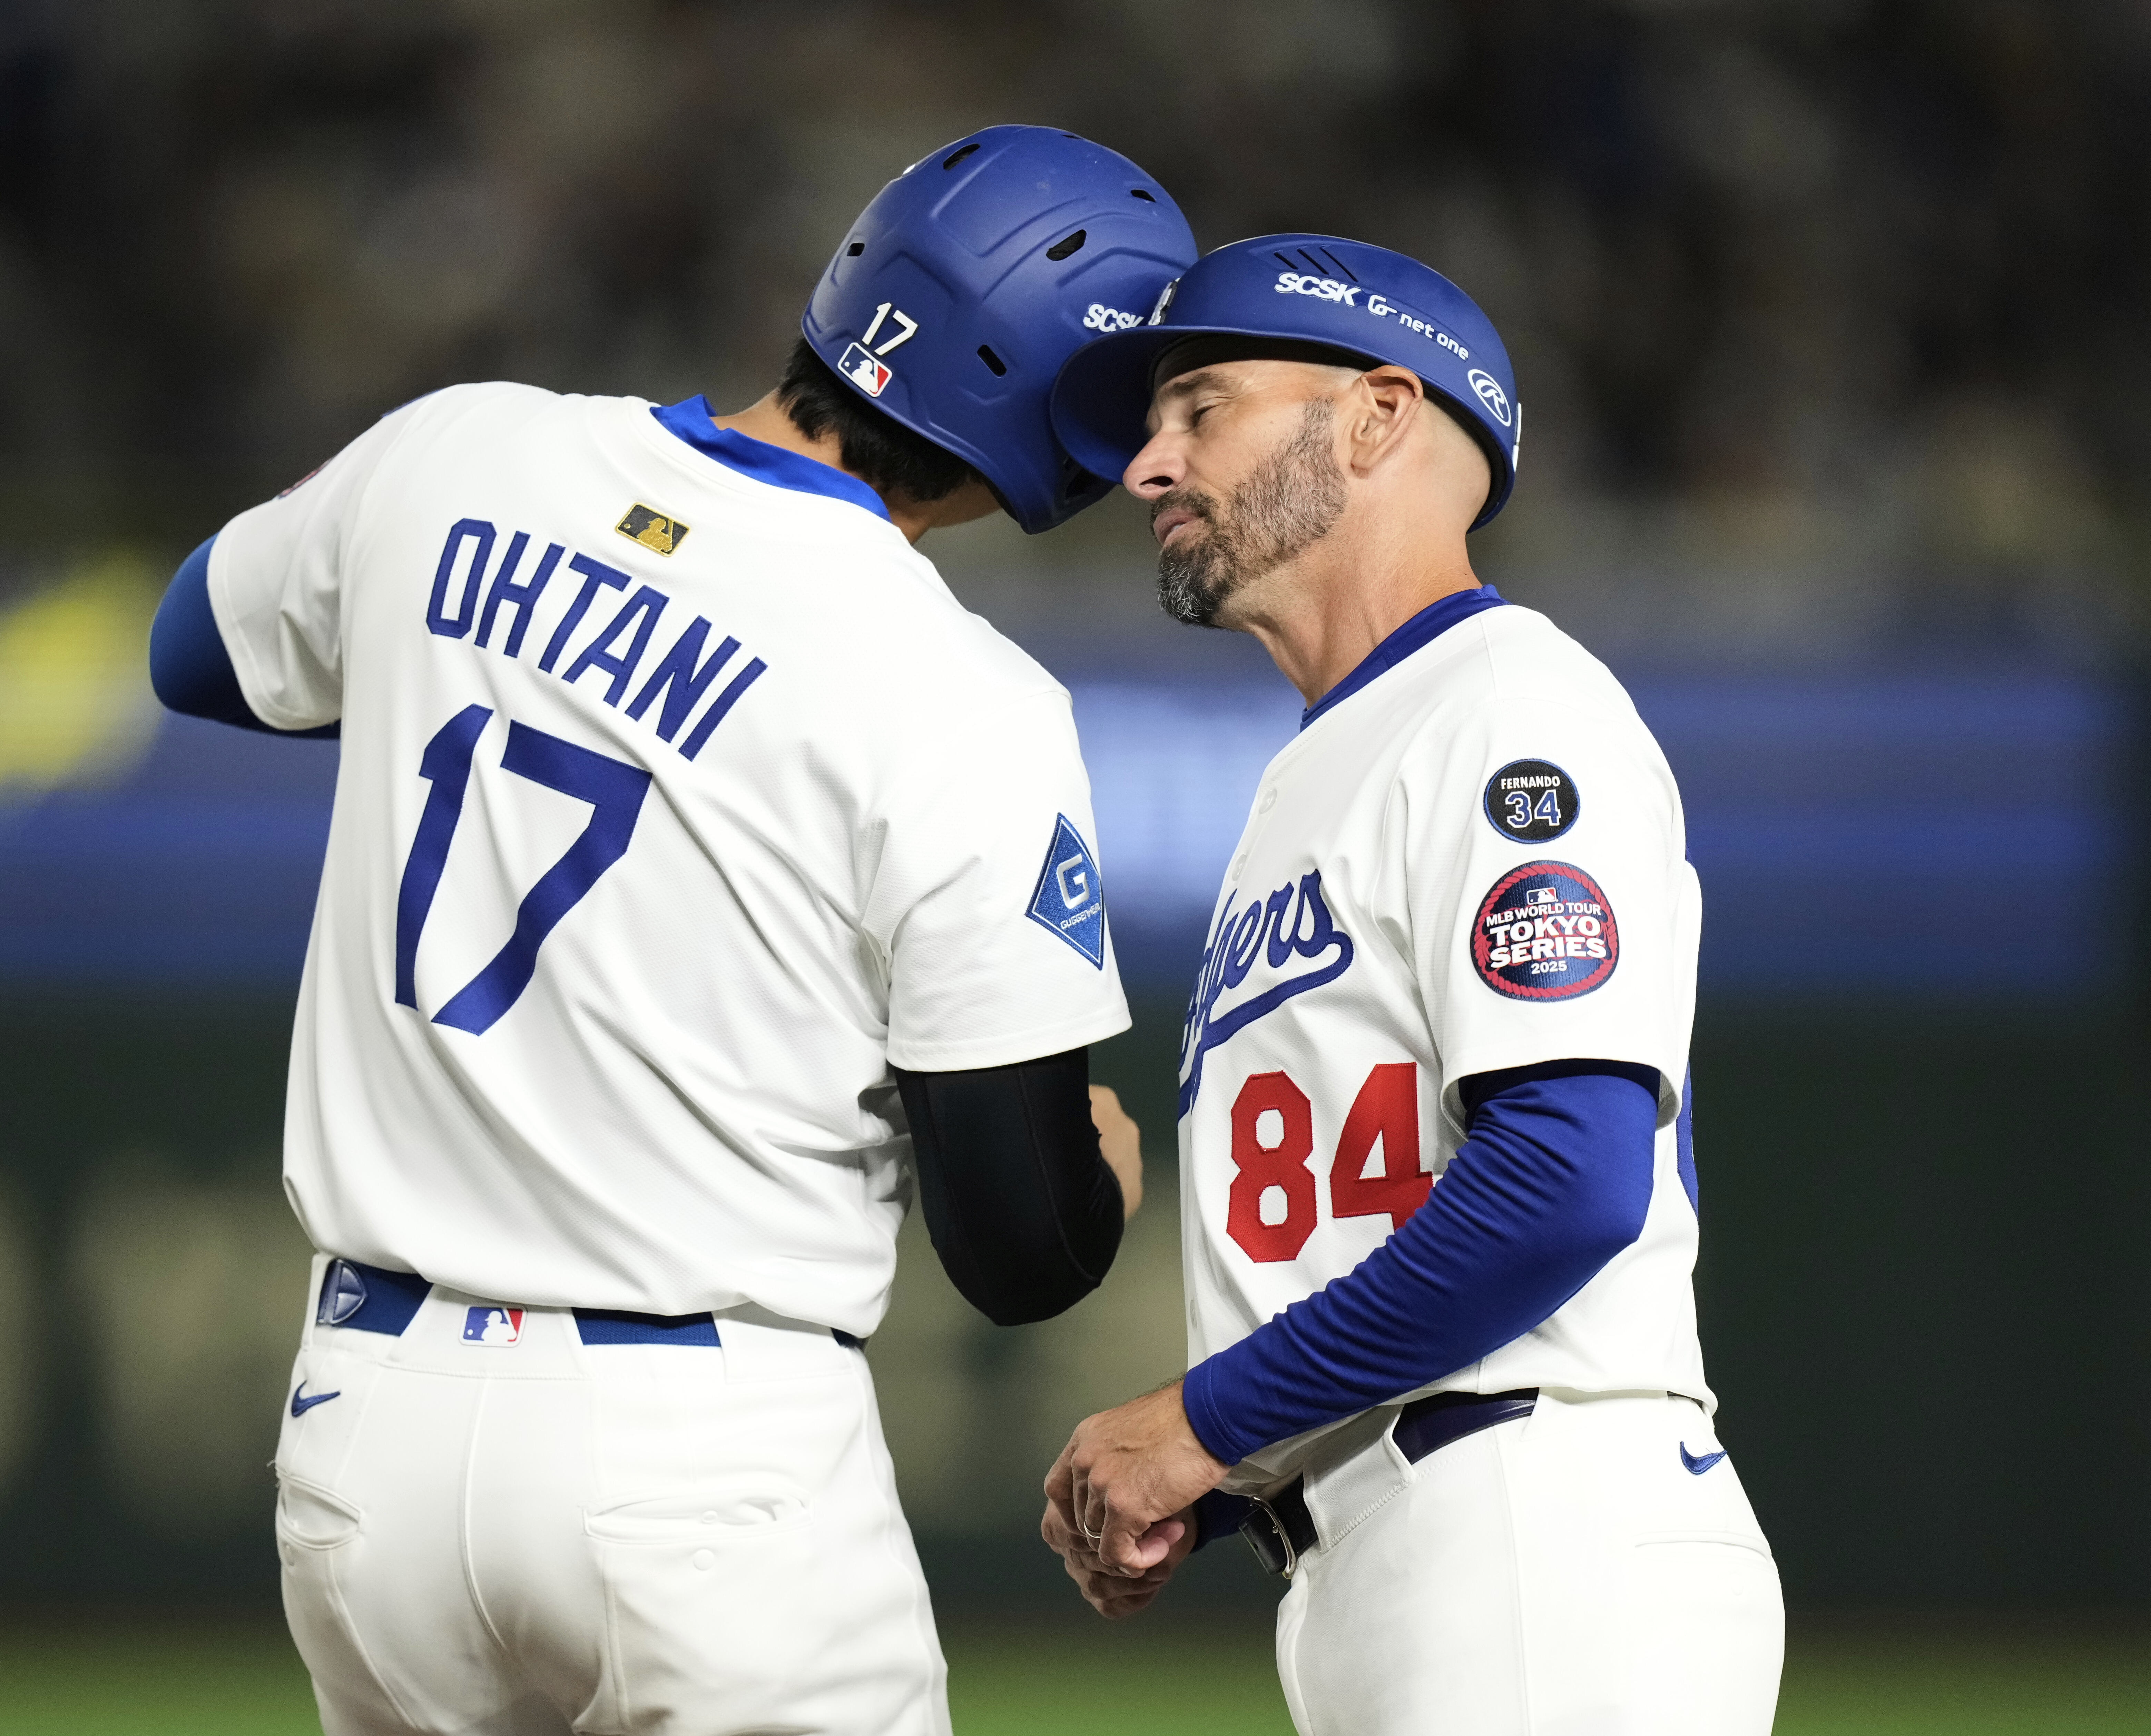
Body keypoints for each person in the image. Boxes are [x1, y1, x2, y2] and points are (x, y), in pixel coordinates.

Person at [147, 127, 1193, 1735]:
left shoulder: (462, 455)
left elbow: (194, 647)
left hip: (371, 1432)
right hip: (700, 1458)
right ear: (1063, 415)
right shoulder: (957, 696)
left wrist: (510, 665)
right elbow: (1016, 1247)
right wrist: (1100, 1177)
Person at [1035, 235, 1784, 1734]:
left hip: (1528, 1522)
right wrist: (1238, 1471)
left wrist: (1202, 1424)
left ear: (1377, 414)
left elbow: (1566, 1180)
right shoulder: (1328, 762)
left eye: (1202, 406)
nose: (1147, 464)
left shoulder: (1511, 711)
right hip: (1401, 1543)